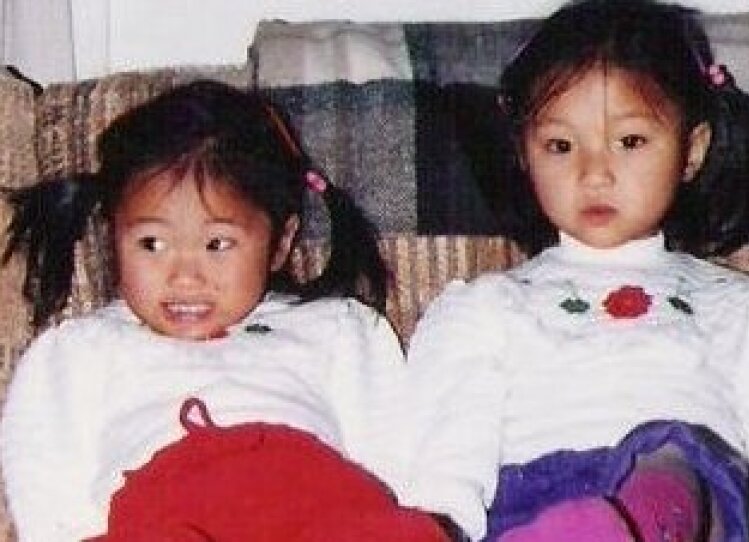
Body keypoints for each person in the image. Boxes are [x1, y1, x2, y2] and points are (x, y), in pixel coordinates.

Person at [396, 1, 749, 541]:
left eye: (631, 141)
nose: (594, 173)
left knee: (671, 457)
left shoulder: (746, 308)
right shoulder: (487, 307)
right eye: (560, 146)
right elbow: (446, 468)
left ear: (692, 150)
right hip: (535, 515)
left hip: (689, 509)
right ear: (524, 155)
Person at [0, 80, 448, 542]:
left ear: (280, 243)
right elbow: (43, 468)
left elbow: (391, 453)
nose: (185, 276)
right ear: (114, 235)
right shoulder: (83, 348)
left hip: (312, 505)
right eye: (151, 243)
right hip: (163, 515)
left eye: (218, 244)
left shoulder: (337, 328)